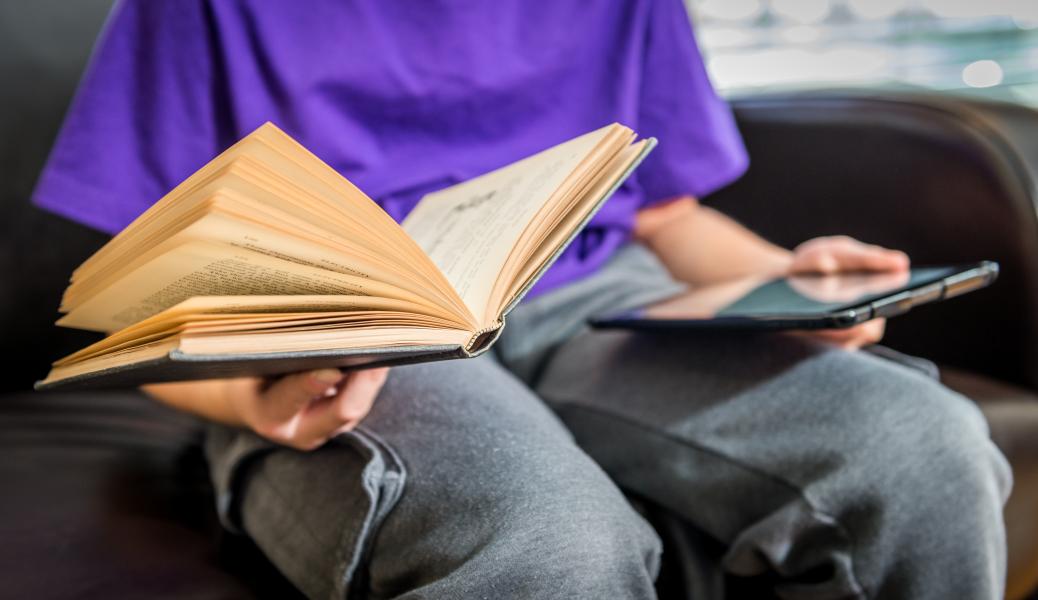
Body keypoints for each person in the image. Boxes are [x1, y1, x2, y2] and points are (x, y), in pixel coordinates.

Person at [32, 1, 1011, 598]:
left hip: (590, 291)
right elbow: (144, 299)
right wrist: (251, 396)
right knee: (547, 544)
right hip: (361, 330)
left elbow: (665, 216)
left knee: (921, 443)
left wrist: (791, 276)